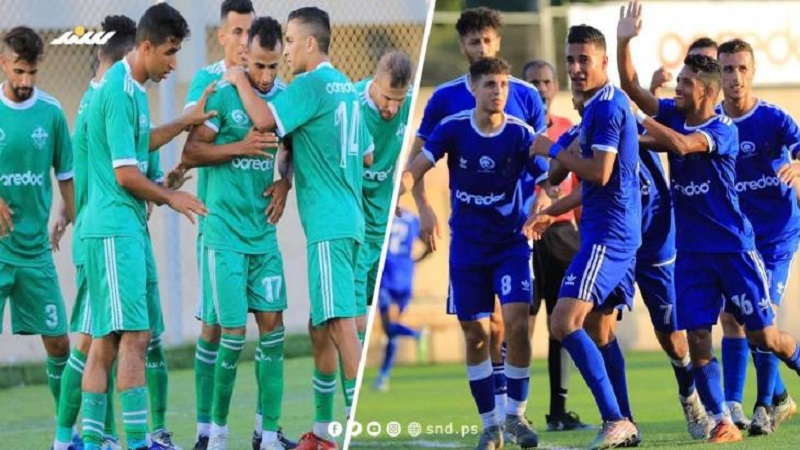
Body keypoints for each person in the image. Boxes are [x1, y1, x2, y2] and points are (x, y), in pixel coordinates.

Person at [223, 7, 373, 449]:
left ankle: (356, 427)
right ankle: (324, 433)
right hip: (352, 221)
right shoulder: (346, 86)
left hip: (328, 226)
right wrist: (298, 165)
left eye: (289, 41)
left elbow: (264, 121)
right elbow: (366, 154)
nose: (285, 51)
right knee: (319, 326)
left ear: (310, 42)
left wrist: (239, 80)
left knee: (341, 327)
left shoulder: (310, 84)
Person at [400, 57, 548, 450]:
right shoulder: (453, 128)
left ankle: (515, 415)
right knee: (476, 334)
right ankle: (490, 425)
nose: (498, 91)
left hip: (510, 244)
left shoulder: (520, 133)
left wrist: (545, 201)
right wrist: (402, 192)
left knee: (516, 324)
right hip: (467, 248)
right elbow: (416, 168)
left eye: (503, 84)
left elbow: (548, 176)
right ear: (473, 87)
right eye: (490, 84)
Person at [167, 2, 295, 448]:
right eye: (258, 65)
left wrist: (285, 181)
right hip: (223, 234)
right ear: (242, 53)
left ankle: (267, 434)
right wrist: (239, 147)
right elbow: (191, 152)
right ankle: (215, 433)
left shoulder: (284, 97)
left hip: (263, 233)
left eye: (273, 66)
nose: (266, 75)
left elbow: (292, 145)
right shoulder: (220, 91)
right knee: (229, 334)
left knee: (274, 329)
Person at [79, 5, 206, 450]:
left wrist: (183, 125)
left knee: (111, 339)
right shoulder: (117, 90)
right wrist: (171, 198)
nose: (174, 64)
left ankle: (96, 444)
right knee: (129, 337)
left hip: (126, 228)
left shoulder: (132, 90)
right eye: (170, 53)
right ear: (146, 46)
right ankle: (134, 443)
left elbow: (141, 142)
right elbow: (125, 174)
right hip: (113, 231)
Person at [526, 23, 642, 449]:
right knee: (599, 330)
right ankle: (626, 421)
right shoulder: (591, 110)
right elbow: (560, 176)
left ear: (604, 62)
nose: (575, 68)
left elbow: (599, 172)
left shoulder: (609, 107)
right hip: (609, 231)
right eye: (570, 60)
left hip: (608, 235)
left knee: (563, 321)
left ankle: (614, 419)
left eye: (584, 60)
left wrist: (553, 147)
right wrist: (548, 207)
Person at [49, 16, 137, 450]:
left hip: (89, 230)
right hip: (99, 238)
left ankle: (96, 437)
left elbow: (79, 170)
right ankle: (68, 438)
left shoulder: (89, 100)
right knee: (91, 342)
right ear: (127, 56)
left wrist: (65, 212)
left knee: (102, 341)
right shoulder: (109, 98)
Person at [715, 38, 799, 435]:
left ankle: (763, 405)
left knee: (762, 318)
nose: (735, 77)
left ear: (753, 71)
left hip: (778, 235)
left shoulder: (773, 118)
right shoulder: (714, 122)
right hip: (740, 240)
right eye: (728, 69)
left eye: (742, 68)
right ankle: (772, 397)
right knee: (734, 317)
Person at [0, 23, 74, 447]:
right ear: (4, 64)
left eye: (32, 72)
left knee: (59, 344)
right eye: (18, 71)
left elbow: (66, 173)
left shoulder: (51, 113)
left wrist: (69, 214)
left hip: (34, 252)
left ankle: (67, 435)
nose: (25, 80)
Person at [521, 59, 589, 431]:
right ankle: (515, 411)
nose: (541, 88)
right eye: (533, 82)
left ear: (555, 86)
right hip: (523, 235)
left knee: (561, 323)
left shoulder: (568, 129)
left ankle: (558, 411)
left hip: (562, 235)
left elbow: (578, 188)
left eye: (546, 81)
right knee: (520, 322)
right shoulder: (515, 130)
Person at [353, 49, 414, 383]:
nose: (392, 107)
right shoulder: (351, 105)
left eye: (399, 100)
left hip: (382, 226)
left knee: (378, 319)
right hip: (354, 225)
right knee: (353, 316)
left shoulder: (409, 105)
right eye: (388, 98)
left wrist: (398, 194)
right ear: (374, 82)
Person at [373, 209, 431, 392]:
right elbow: (430, 246)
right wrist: (414, 261)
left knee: (389, 327)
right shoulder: (412, 219)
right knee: (391, 332)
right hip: (405, 278)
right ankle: (383, 377)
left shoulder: (382, 214)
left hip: (386, 278)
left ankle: (417, 334)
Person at [649, 37, 717, 97]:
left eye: (704, 63)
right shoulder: (678, 104)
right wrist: (654, 88)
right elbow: (654, 105)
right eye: (691, 62)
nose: (697, 70)